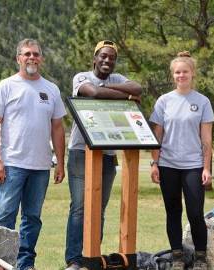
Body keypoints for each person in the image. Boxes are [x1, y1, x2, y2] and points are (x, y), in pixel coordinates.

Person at [0, 39, 66, 270]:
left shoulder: (51, 89)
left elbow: (58, 128)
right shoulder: (6, 86)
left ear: (41, 58)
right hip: (11, 164)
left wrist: (60, 163)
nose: (32, 58)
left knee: (32, 219)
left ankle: (25, 264)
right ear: (18, 58)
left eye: (36, 54)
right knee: (5, 217)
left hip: (41, 167)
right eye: (27, 54)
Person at [65, 40, 142, 270]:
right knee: (80, 206)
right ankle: (74, 259)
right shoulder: (81, 77)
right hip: (81, 151)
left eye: (112, 58)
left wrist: (117, 92)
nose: (107, 61)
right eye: (103, 56)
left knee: (99, 207)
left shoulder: (117, 78)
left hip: (107, 154)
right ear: (95, 58)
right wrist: (126, 97)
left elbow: (138, 88)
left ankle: (92, 254)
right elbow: (95, 92)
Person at [149, 51, 214, 270]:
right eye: (177, 72)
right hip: (168, 165)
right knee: (173, 211)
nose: (181, 75)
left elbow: (206, 139)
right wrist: (154, 163)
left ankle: (201, 257)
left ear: (192, 73)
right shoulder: (164, 101)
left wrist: (206, 167)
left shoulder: (202, 101)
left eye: (185, 71)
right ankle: (177, 255)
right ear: (172, 75)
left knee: (195, 212)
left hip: (194, 166)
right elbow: (156, 136)